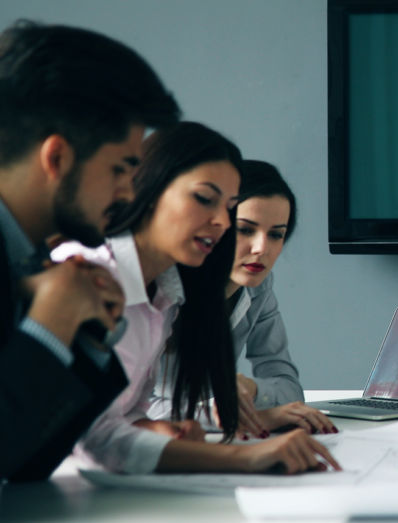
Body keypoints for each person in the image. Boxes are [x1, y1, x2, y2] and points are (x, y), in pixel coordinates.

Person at [67, 122, 338, 474]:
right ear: (148, 187)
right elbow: (87, 434)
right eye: (204, 199)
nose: (220, 222)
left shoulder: (165, 291)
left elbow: (122, 413)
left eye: (228, 208)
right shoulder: (90, 276)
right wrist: (246, 456)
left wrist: (150, 427)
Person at [0, 21, 180, 482]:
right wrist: (49, 325)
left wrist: (86, 339)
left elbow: (28, 464)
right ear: (56, 158)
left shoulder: (32, 264)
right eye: (121, 169)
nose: (129, 193)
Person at [145, 159, 335, 437]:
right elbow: (130, 410)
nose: (261, 248)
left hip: (207, 441)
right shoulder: (163, 289)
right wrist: (238, 415)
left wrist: (250, 388)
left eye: (276, 234)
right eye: (245, 230)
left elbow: (289, 388)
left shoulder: (258, 287)